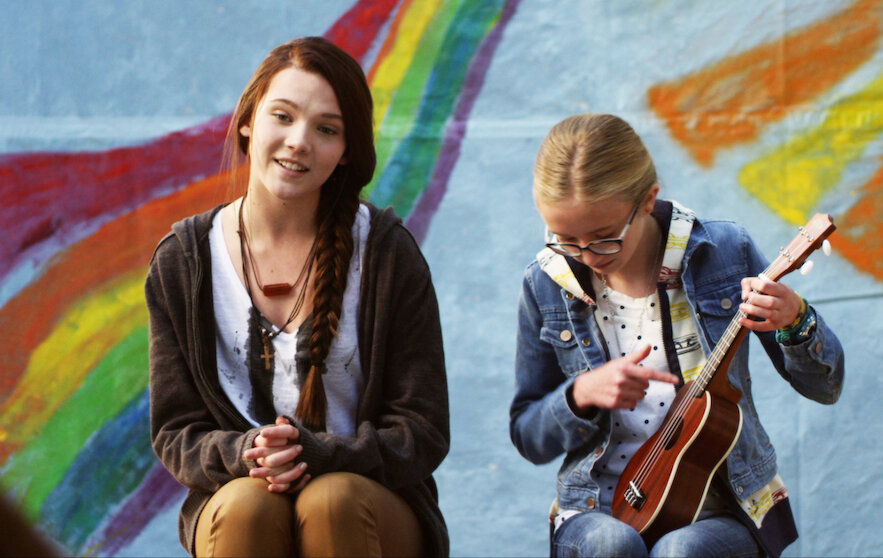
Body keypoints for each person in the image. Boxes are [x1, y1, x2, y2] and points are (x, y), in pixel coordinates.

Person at [146, 37, 449, 557]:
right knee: (248, 506)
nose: (299, 141)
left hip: (372, 503)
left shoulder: (385, 255)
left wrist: (324, 455)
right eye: (282, 116)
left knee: (331, 501)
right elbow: (176, 431)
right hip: (237, 497)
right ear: (249, 120)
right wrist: (248, 452)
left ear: (347, 150)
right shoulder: (184, 261)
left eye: (326, 129)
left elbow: (422, 429)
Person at [510, 113, 844, 558]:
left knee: (680, 552)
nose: (586, 256)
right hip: (598, 508)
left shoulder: (724, 252)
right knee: (611, 544)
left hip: (722, 505)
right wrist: (580, 394)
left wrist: (795, 320)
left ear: (648, 200)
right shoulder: (545, 282)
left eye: (605, 238)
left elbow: (824, 387)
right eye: (565, 239)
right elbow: (528, 437)